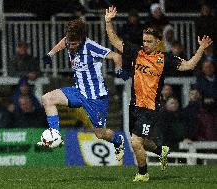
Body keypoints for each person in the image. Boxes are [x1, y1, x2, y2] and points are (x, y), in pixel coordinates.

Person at [105, 6, 213, 181]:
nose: (145, 44)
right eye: (144, 40)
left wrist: (201, 48)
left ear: (157, 42)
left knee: (135, 142)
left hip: (150, 107)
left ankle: (143, 174)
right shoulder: (136, 52)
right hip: (135, 105)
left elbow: (189, 65)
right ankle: (160, 150)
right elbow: (115, 41)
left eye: (148, 41)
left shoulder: (164, 59)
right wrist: (108, 21)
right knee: (141, 141)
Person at [37, 19, 125, 162]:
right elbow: (63, 42)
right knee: (47, 98)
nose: (71, 47)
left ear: (82, 39)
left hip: (95, 97)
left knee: (100, 134)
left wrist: (119, 70)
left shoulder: (91, 46)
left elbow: (116, 56)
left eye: (74, 44)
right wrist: (50, 54)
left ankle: (118, 140)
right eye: (70, 44)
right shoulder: (70, 40)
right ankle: (56, 135)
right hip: (78, 91)